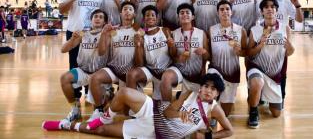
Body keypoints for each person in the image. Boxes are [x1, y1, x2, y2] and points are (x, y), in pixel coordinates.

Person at [42, 73, 234, 139]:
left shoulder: (214, 108)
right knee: (124, 92)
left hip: (153, 132)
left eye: (213, 89)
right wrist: (179, 112)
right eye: (206, 86)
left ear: (217, 93)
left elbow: (229, 131)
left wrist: (208, 136)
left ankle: (64, 125)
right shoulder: (188, 94)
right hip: (154, 111)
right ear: (200, 88)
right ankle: (104, 115)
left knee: (100, 132)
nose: (208, 91)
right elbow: (167, 112)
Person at [88, 1, 141, 121]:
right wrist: (104, 34)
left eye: (130, 9)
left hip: (130, 73)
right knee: (94, 78)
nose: (127, 11)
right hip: (114, 70)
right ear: (120, 13)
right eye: (125, 9)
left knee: (125, 112)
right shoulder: (113, 30)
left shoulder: (139, 30)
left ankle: (111, 96)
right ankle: (99, 109)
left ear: (134, 14)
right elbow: (101, 52)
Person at [59, 0, 104, 102]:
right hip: (75, 33)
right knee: (75, 64)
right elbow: (61, 10)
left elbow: (101, 12)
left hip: (93, 34)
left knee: (93, 63)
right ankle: (76, 96)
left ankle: (91, 94)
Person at [247, 0, 294, 128]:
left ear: (276, 10)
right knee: (257, 82)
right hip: (257, 68)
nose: (269, 9)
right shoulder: (255, 29)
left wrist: (290, 47)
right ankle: (253, 112)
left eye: (272, 7)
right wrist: (260, 45)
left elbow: (288, 53)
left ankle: (262, 94)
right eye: (266, 7)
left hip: (274, 74)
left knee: (276, 113)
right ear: (262, 11)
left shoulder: (285, 28)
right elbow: (249, 53)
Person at [257, 0, 303, 105]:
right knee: (262, 70)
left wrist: (298, 5)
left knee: (281, 71)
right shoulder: (261, 2)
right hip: (265, 43)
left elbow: (299, 19)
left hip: (280, 43)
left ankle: (280, 97)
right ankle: (262, 97)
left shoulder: (287, 1)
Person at [59, 9, 109, 122]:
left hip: (99, 74)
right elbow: (63, 49)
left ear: (104, 22)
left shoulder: (107, 34)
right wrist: (72, 39)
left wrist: (104, 34)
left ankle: (100, 108)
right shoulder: (83, 34)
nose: (98, 18)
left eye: (101, 17)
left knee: (97, 107)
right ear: (91, 20)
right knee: (64, 78)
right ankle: (75, 109)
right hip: (83, 71)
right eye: (95, 16)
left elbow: (102, 52)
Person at [160, 3, 210, 101]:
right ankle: (166, 109)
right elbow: (172, 56)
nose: (184, 14)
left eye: (188, 12)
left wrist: (204, 52)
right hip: (180, 70)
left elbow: (208, 56)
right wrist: (177, 57)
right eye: (181, 13)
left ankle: (183, 95)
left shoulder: (201, 33)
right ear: (178, 17)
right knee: (166, 77)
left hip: (196, 73)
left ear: (193, 17)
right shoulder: (174, 33)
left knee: (196, 103)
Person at [208, 0, 247, 116]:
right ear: (217, 13)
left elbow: (246, 52)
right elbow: (209, 52)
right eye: (221, 9)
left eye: (227, 9)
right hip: (216, 69)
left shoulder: (241, 30)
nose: (224, 11)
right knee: (211, 80)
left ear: (231, 12)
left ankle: (220, 104)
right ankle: (213, 114)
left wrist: (240, 51)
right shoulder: (211, 30)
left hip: (232, 72)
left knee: (226, 113)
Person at [126, 5, 172, 100]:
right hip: (150, 70)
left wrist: (172, 45)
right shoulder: (141, 35)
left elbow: (173, 54)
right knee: (131, 74)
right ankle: (136, 108)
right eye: (147, 15)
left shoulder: (165, 30)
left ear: (157, 18)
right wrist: (138, 45)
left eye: (152, 15)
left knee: (159, 101)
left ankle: (165, 107)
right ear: (143, 19)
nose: (150, 17)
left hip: (166, 70)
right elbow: (139, 63)